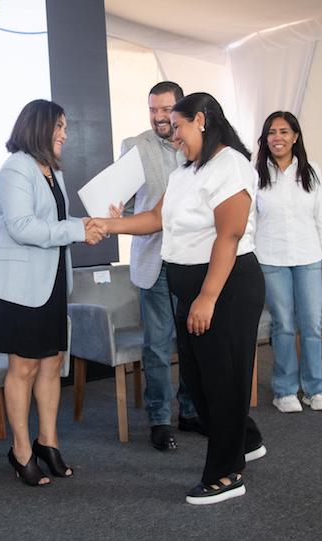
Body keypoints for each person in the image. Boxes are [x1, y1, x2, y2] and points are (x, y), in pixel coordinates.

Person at [91, 92, 266, 505]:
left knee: (221, 385)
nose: (174, 137)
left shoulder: (231, 166)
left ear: (201, 121)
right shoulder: (186, 170)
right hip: (196, 292)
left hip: (227, 289)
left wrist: (206, 297)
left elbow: (230, 235)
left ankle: (226, 473)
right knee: (201, 385)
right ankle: (248, 437)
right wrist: (109, 224)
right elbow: (155, 219)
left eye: (179, 127)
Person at [0, 99, 103, 486]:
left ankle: (48, 442)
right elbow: (23, 227)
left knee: (52, 364)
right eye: (60, 127)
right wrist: (78, 231)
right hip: (17, 289)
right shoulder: (16, 167)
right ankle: (20, 451)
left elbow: (57, 221)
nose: (65, 134)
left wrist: (93, 223)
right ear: (39, 127)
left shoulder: (51, 169)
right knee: (24, 367)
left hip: (48, 284)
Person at [116, 81, 200, 452]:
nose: (158, 117)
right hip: (154, 259)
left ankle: (191, 412)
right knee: (158, 343)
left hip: (192, 257)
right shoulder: (135, 148)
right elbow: (126, 205)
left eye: (165, 110)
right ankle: (159, 420)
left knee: (192, 341)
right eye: (152, 110)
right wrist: (115, 210)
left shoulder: (196, 145)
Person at [254, 111, 322, 413]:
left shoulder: (312, 171)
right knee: (285, 325)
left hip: (309, 258)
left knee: (312, 325)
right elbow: (250, 221)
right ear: (265, 139)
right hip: (271, 259)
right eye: (272, 132)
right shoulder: (256, 174)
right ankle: (285, 390)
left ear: (295, 137)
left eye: (284, 132)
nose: (278, 138)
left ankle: (316, 389)